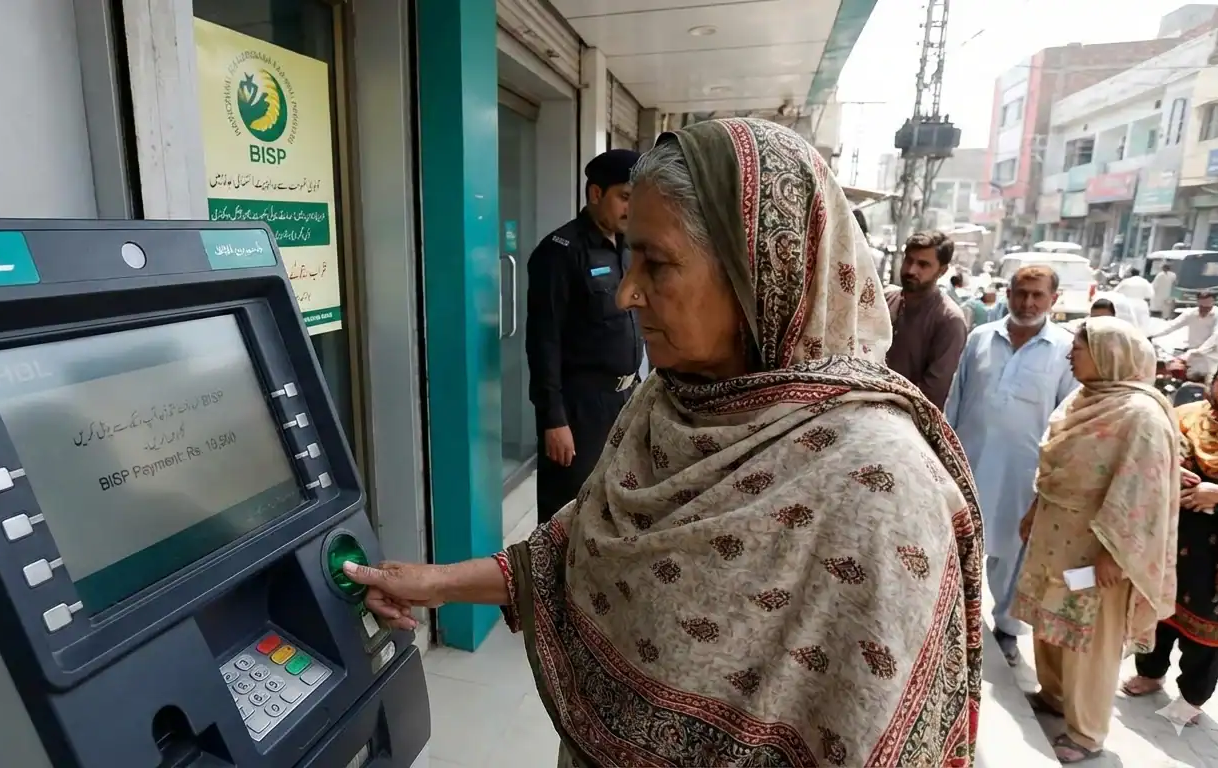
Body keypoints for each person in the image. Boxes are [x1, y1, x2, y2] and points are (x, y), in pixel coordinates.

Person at [345, 118, 985, 767]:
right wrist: (436, 582)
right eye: (630, 257)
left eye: (657, 263)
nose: (627, 292)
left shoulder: (878, 484)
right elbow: (578, 551)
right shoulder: (669, 402)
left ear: (761, 271)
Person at [1011, 317, 1180, 763]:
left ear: (1110, 354)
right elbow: (1054, 468)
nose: (1070, 355)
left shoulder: (1141, 416)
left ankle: (1086, 733)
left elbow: (1142, 492)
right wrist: (1034, 510)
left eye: (1080, 348)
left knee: (1091, 642)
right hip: (1057, 536)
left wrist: (1115, 555)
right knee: (1051, 624)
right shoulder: (1085, 398)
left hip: (1100, 548)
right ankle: (1054, 696)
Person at [946, 265, 1080, 664]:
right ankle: (950, 622)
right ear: (1008, 293)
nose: (1028, 302)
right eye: (1021, 293)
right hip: (969, 463)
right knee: (958, 544)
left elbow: (1068, 417)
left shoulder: (1066, 350)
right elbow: (956, 398)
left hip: (1025, 474)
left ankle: (1006, 628)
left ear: (1054, 300)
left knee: (1014, 556)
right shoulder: (980, 338)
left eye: (1038, 295)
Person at [526, 148, 645, 523]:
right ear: (596, 194)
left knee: (617, 504)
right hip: (580, 410)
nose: (632, 208)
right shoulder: (561, 252)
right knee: (569, 512)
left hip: (625, 398)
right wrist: (553, 420)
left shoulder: (628, 248)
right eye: (625, 197)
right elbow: (543, 341)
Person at [1124, 357, 1218, 724]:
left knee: (1209, 622)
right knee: (1157, 604)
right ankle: (1151, 672)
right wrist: (1176, 470)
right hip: (1173, 532)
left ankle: (1193, 697)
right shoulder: (1186, 415)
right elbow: (1153, 452)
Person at [886, 231, 969, 408]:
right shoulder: (885, 299)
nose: (910, 270)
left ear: (942, 270)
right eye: (909, 260)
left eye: (923, 264)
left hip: (904, 424)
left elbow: (931, 394)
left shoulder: (949, 320)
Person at [1149, 290, 1218, 383]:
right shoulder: (1191, 313)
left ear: (1213, 303)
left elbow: (1217, 335)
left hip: (1210, 356)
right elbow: (1172, 326)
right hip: (1191, 356)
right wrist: (1152, 335)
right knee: (1184, 380)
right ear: (1198, 302)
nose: (1204, 309)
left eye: (1207, 307)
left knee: (1209, 382)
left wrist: (1199, 350)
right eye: (1201, 306)